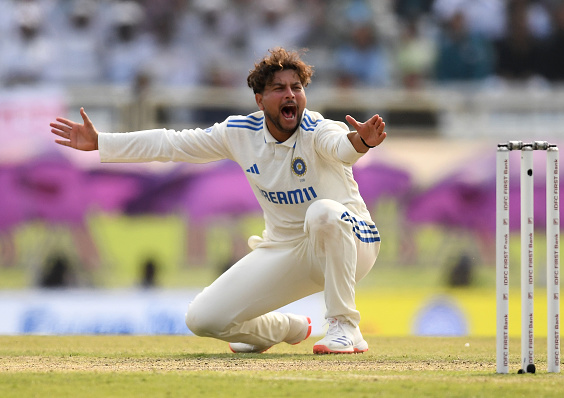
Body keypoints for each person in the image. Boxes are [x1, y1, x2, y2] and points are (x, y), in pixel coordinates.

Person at [50, 47, 386, 354]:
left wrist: (361, 142)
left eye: (296, 87)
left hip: (353, 244)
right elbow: (171, 144)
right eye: (279, 88)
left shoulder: (317, 128)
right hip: (288, 250)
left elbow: (341, 147)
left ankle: (345, 327)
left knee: (323, 213)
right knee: (203, 319)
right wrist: (103, 143)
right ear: (259, 100)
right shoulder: (239, 133)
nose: (290, 95)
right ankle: (286, 327)